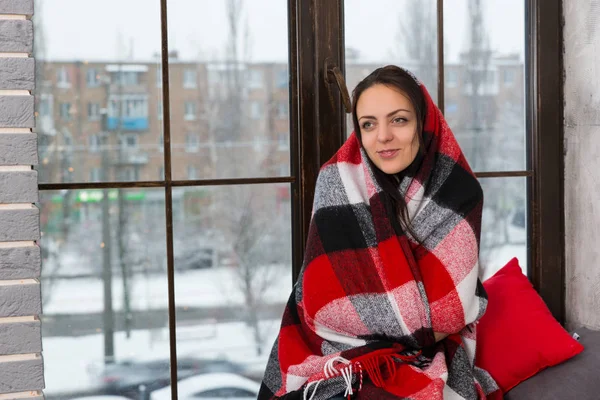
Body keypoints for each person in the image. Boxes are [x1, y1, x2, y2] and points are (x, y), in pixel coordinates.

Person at [258, 65, 500, 400]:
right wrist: (406, 315)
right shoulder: (337, 182)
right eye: (368, 124)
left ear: (424, 122)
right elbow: (323, 308)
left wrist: (380, 316)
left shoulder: (458, 190)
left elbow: (449, 312)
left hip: (426, 356)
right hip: (332, 355)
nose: (382, 136)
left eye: (399, 119)